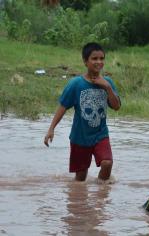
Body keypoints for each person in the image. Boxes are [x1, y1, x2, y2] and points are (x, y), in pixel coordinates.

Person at [44, 42, 121, 182]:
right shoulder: (75, 84)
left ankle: (100, 196)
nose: (99, 62)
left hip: (100, 134)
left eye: (102, 58)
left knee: (107, 163)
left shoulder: (107, 82)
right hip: (80, 137)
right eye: (94, 58)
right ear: (85, 61)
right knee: (80, 179)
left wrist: (108, 88)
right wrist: (51, 129)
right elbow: (62, 107)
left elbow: (116, 106)